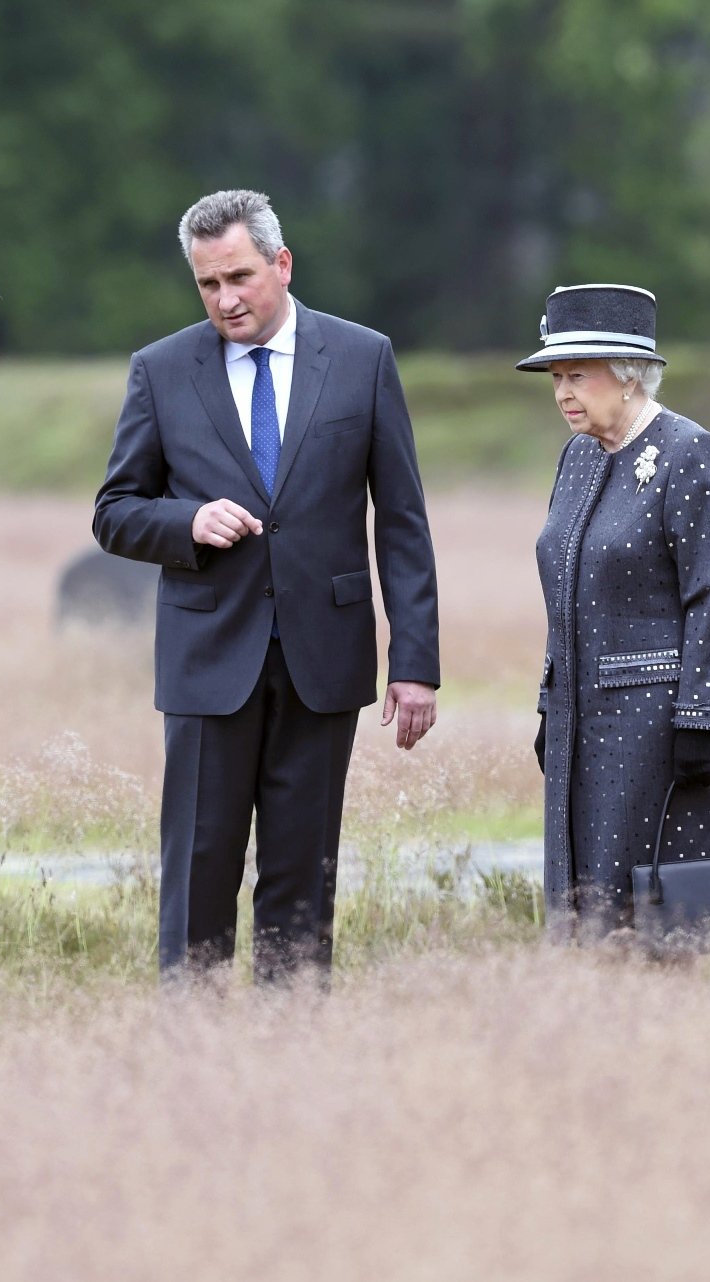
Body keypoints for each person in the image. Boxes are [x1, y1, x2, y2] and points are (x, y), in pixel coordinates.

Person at [94, 189, 441, 983]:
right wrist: (184, 523)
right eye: (208, 284)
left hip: (325, 660)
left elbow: (402, 522)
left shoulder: (363, 357)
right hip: (207, 659)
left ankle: (290, 1056)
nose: (225, 299)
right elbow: (114, 512)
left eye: (240, 277)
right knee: (199, 866)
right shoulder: (159, 369)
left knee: (301, 872)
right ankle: (197, 1050)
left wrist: (414, 661)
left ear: (282, 265)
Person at [520, 284, 710, 940]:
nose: (562, 391)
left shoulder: (688, 452)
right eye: (555, 377)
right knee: (581, 904)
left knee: (658, 919)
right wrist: (547, 700)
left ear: (627, 376)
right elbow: (565, 586)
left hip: (657, 726)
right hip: (576, 721)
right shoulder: (577, 457)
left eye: (577, 375)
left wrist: (700, 717)